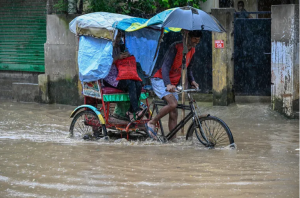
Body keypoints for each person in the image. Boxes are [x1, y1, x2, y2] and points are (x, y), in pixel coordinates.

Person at [145, 30, 201, 140]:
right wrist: (167, 84)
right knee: (173, 104)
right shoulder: (175, 47)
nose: (196, 41)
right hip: (160, 79)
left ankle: (173, 139)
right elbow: (165, 67)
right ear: (187, 37)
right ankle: (152, 122)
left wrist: (192, 81)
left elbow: (189, 69)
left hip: (173, 83)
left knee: (174, 113)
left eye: (198, 40)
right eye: (194, 38)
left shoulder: (192, 51)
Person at [104, 31, 146, 121]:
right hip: (110, 78)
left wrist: (127, 55)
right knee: (130, 83)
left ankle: (131, 111)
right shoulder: (105, 47)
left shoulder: (121, 46)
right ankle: (136, 110)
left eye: (120, 36)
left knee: (138, 83)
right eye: (117, 36)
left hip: (122, 74)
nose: (119, 39)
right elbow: (103, 64)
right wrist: (117, 58)